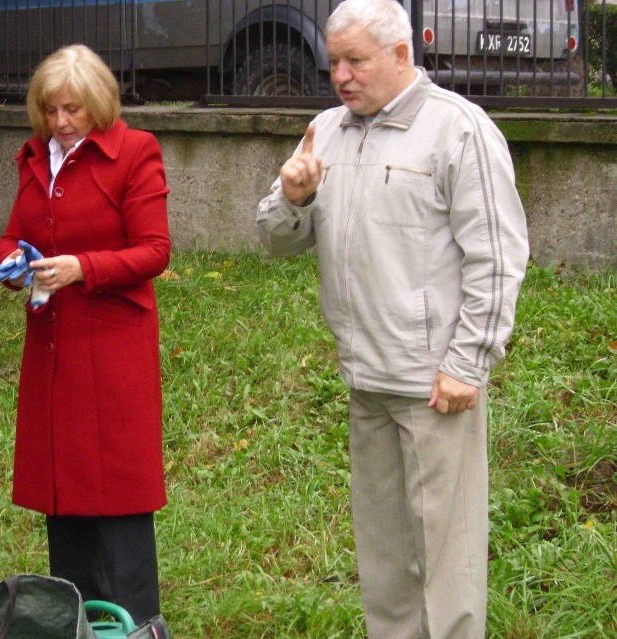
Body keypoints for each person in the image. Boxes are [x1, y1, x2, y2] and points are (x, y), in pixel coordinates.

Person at [256, 1, 529, 638]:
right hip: (366, 376)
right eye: (334, 64)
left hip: (436, 384)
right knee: (384, 558)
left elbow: (497, 254)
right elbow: (274, 240)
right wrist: (295, 197)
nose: (342, 77)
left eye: (356, 61)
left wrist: (468, 364)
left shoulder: (458, 128)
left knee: (446, 559)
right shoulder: (325, 129)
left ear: (402, 54)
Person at [0, 44, 171, 626]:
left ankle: (137, 626)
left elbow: (154, 251)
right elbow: (13, 233)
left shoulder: (135, 153)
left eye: (72, 109)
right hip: (52, 349)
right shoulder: (33, 158)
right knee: (62, 495)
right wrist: (13, 263)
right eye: (50, 110)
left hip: (113, 349)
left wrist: (81, 268)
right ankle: (78, 623)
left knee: (117, 499)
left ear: (98, 104)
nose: (61, 122)